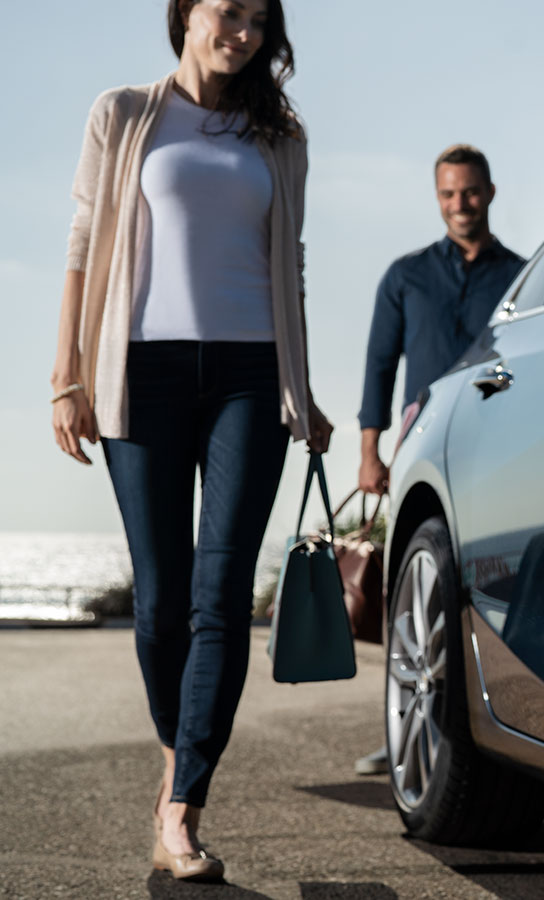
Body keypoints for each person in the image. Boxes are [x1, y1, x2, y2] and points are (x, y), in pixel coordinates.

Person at [49, 0, 331, 882]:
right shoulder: (124, 113)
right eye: (226, 11)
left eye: (258, 19)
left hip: (251, 374)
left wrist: (302, 385)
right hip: (143, 371)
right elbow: (83, 245)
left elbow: (289, 263)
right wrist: (67, 375)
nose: (241, 31)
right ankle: (178, 751)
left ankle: (183, 808)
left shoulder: (281, 135)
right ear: (185, 13)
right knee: (162, 601)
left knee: (223, 595)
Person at [355, 144, 525, 773]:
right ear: (437, 197)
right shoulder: (405, 276)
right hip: (419, 449)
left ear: (490, 192)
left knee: (486, 580)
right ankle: (405, 724)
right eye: (449, 194)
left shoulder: (523, 278)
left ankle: (495, 722)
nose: (461, 204)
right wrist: (369, 452)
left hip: (495, 446)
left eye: (470, 192)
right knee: (413, 586)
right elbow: (379, 364)